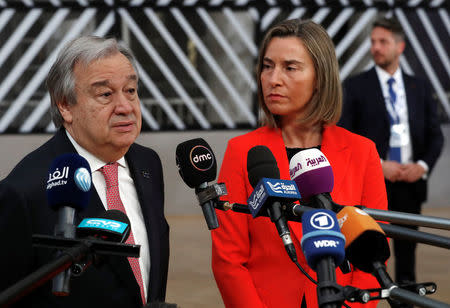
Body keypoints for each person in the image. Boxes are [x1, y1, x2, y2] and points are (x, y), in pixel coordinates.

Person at [211, 19, 387, 308]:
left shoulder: (362, 151)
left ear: (320, 76)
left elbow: (375, 251)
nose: (273, 79)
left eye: (289, 67)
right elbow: (228, 261)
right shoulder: (242, 152)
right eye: (267, 66)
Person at [0, 36, 169, 308]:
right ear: (65, 105)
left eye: (130, 90)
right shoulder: (23, 191)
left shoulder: (148, 164)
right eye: (105, 94)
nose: (125, 107)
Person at [339, 17, 444, 306]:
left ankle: (404, 301)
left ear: (400, 46)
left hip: (410, 184)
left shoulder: (419, 88)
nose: (376, 47)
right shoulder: (356, 86)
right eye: (373, 41)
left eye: (383, 42)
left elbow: (436, 137)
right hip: (373, 183)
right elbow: (345, 135)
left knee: (407, 254)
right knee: (371, 249)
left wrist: (421, 167)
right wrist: (378, 163)